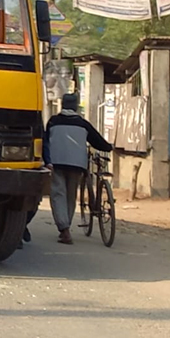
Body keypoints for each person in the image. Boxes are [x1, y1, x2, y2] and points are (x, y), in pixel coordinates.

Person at [45, 93, 113, 245]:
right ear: (75, 106)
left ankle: (64, 228)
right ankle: (66, 225)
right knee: (70, 195)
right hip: (77, 165)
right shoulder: (83, 124)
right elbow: (97, 141)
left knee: (58, 194)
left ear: (62, 105)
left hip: (56, 162)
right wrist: (108, 147)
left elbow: (45, 141)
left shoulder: (53, 121)